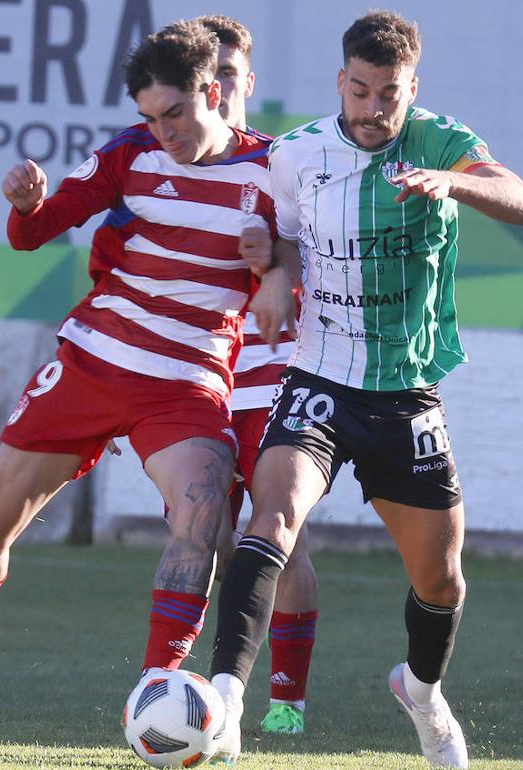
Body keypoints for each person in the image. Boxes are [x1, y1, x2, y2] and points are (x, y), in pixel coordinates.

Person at [0, 20, 277, 726]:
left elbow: (292, 283)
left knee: (202, 521)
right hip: (92, 364)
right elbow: (36, 231)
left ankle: (156, 693)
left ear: (213, 90)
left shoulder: (273, 175)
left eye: (175, 114)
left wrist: (277, 265)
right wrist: (24, 204)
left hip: (186, 384)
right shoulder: (129, 154)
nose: (162, 131)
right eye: (149, 118)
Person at [205, 10, 523, 768]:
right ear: (340, 84)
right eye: (359, 91)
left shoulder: (443, 141)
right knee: (274, 514)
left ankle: (421, 692)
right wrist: (277, 278)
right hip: (319, 374)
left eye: (389, 93)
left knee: (442, 578)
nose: (373, 108)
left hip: (407, 392)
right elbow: (287, 239)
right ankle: (225, 696)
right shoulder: (296, 155)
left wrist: (453, 183)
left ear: (411, 88)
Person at [195, 14, 318, 738]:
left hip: (276, 381)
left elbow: (322, 255)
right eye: (207, 78)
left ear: (246, 81)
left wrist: (275, 259)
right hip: (199, 381)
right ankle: (199, 690)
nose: (219, 89)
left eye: (230, 76)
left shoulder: (285, 165)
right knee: (203, 536)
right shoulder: (168, 162)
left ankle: (285, 700)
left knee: (279, 538)